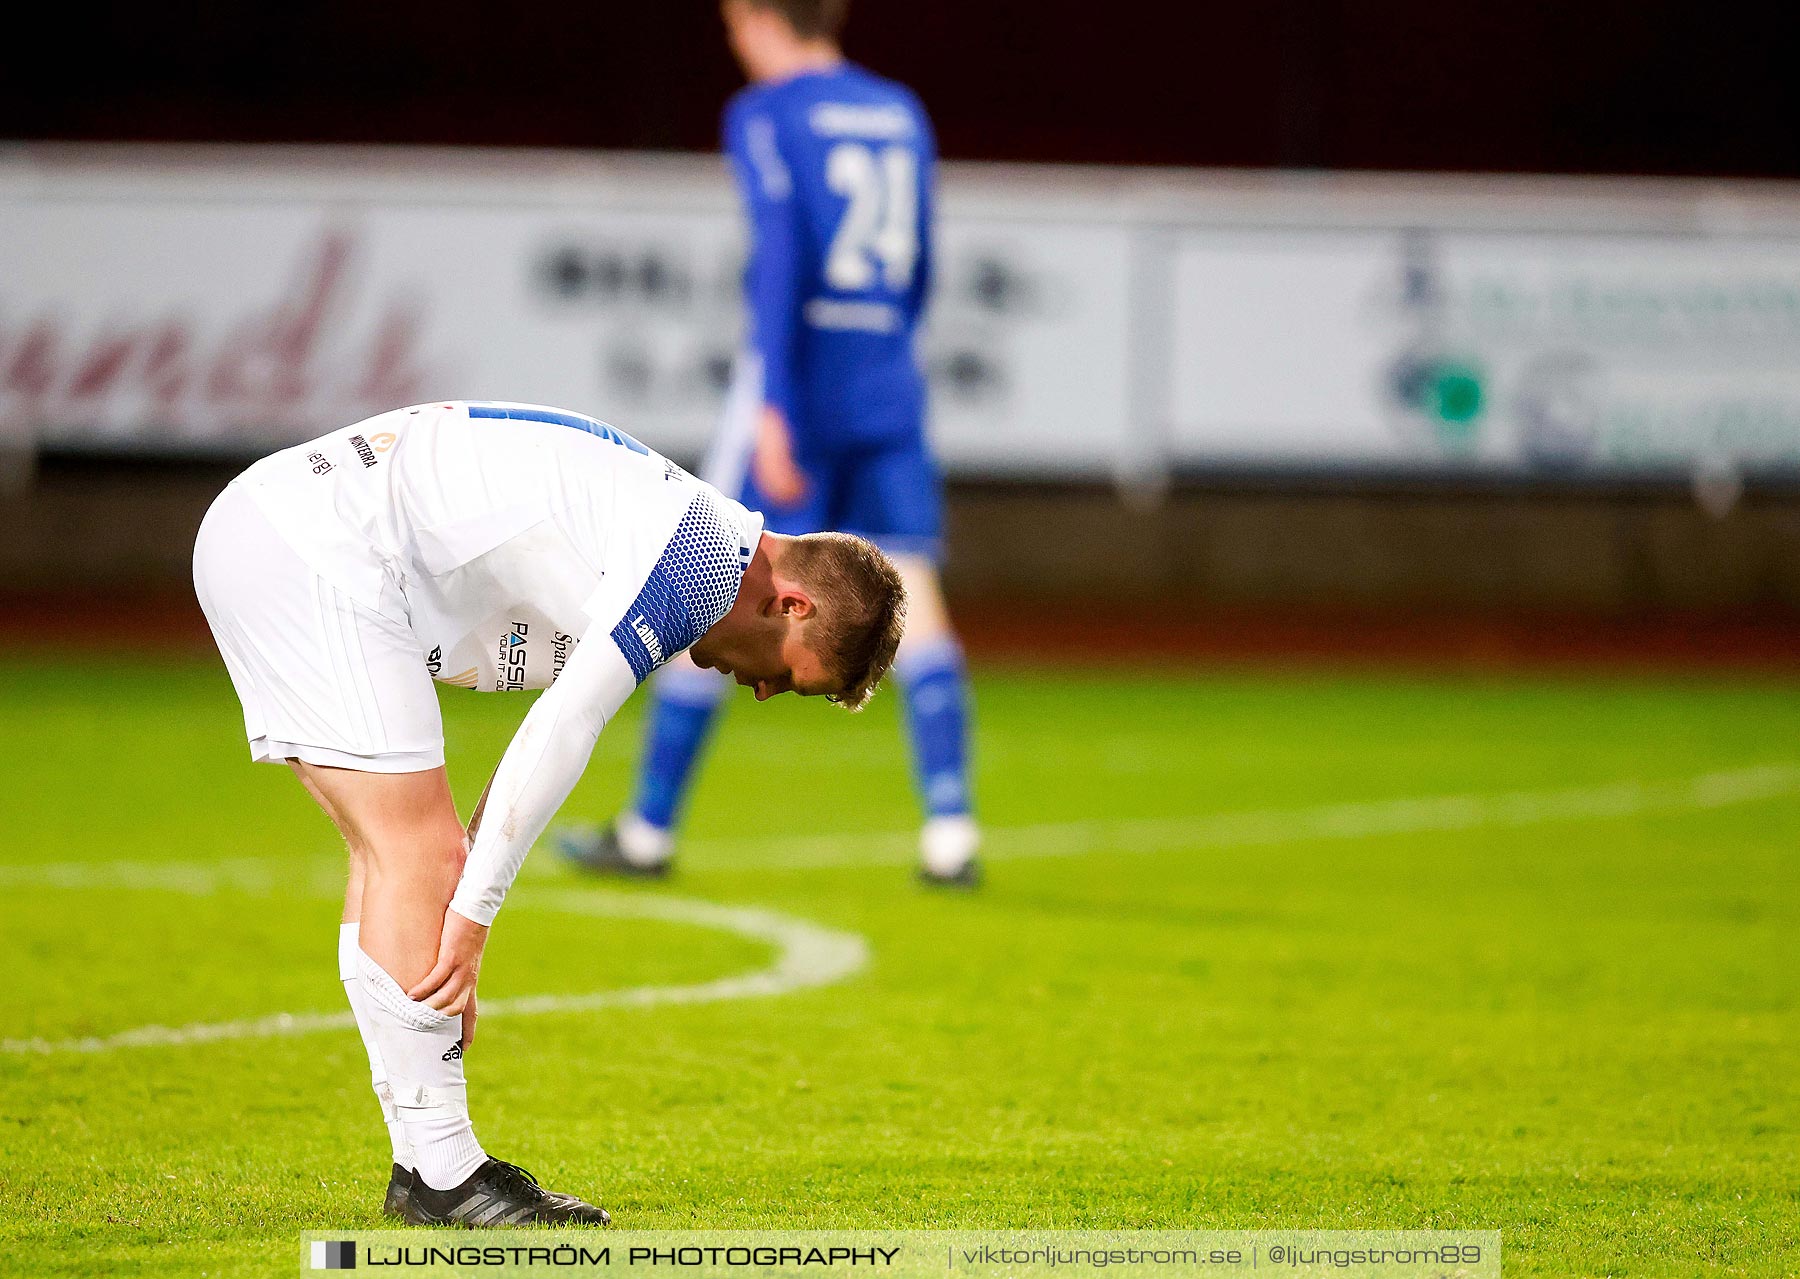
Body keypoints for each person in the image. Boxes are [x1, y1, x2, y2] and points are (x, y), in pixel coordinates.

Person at [192, 400, 905, 1226]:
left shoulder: (689, 537)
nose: (762, 690)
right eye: (791, 675)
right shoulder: (699, 564)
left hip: (287, 530)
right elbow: (564, 726)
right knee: (417, 855)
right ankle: (442, 1175)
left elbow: (539, 716)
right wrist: (471, 917)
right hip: (310, 547)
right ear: (792, 606)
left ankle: (426, 1164)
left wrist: (461, 898)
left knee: (403, 857)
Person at [557, 0, 979, 887]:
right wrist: (887, 359)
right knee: (921, 598)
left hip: (807, 388)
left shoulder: (766, 114)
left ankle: (648, 829)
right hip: (887, 384)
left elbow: (781, 257)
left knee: (710, 584)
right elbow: (924, 264)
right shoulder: (901, 111)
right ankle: (951, 830)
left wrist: (778, 405)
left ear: (760, 18)